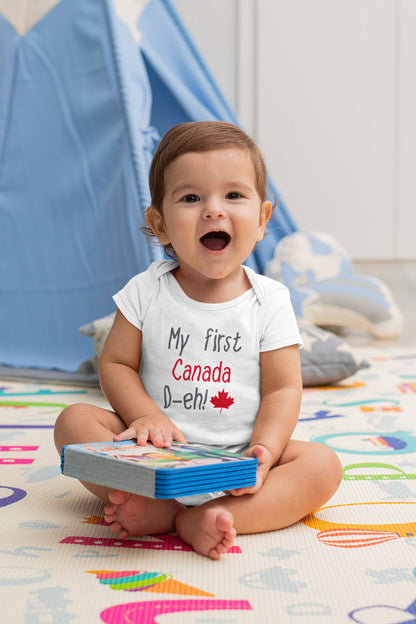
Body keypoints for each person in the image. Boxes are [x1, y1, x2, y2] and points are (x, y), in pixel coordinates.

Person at [54, 121, 342, 560]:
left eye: (233, 195)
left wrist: (263, 449)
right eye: (190, 198)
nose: (213, 210)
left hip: (236, 460)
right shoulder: (146, 290)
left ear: (263, 219)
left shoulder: (270, 300)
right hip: (152, 454)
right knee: (73, 422)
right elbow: (115, 365)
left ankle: (208, 516)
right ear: (161, 224)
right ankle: (157, 498)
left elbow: (283, 387)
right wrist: (146, 417)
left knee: (323, 466)